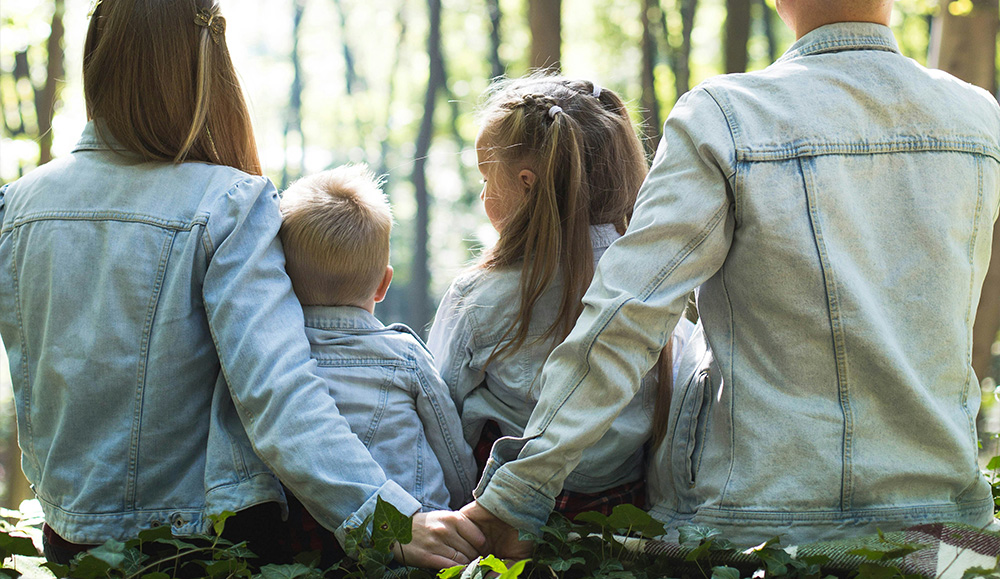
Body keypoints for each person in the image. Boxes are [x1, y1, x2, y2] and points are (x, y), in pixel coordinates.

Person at [461, 0, 1000, 553]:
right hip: (947, 522)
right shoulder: (979, 119)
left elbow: (628, 315)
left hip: (759, 525)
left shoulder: (727, 117)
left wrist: (520, 492)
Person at [0, 0, 482, 569]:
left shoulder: (17, 205)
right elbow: (277, 392)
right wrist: (386, 520)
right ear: (205, 67)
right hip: (192, 549)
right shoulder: (227, 203)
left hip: (68, 543)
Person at [427, 75, 696, 521]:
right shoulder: (657, 290)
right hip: (620, 517)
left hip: (500, 517)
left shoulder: (479, 297)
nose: (483, 194)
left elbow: (439, 410)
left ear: (526, 184)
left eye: (486, 178)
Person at [277, 164, 476, 513]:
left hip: (311, 529)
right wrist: (463, 503)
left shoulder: (273, 358)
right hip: (416, 524)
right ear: (384, 284)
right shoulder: (405, 357)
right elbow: (452, 454)